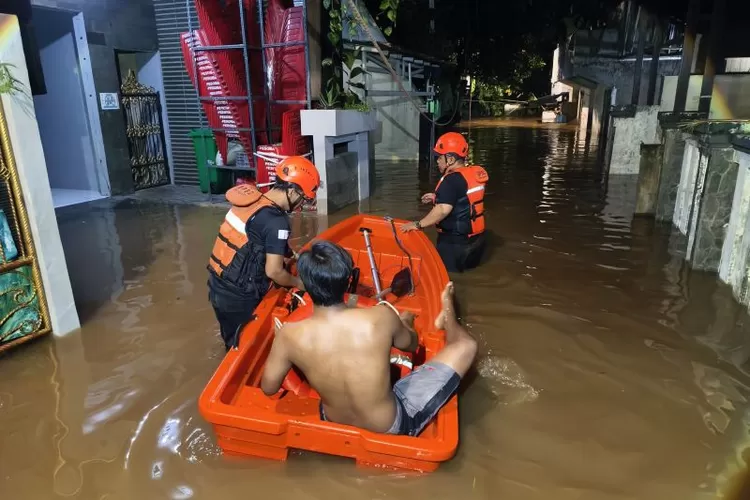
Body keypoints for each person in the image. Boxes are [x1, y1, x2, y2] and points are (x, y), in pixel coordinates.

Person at [260, 241, 477, 436]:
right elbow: (410, 345)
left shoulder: (288, 334)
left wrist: (283, 344)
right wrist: (405, 323)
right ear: (347, 281)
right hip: (391, 427)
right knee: (467, 345)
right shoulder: (380, 317)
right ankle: (447, 313)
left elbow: (269, 387)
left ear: (305, 284)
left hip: (333, 421)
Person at [207, 156, 320, 351]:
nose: (301, 206)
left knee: (231, 340)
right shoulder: (277, 221)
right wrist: (300, 284)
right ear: (293, 192)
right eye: (303, 199)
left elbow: (259, 241)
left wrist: (297, 257)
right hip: (239, 297)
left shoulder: (255, 200)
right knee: (245, 347)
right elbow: (274, 272)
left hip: (217, 284)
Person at [401, 132, 488, 273]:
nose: (437, 161)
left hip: (455, 243)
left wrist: (417, 225)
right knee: (470, 275)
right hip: (476, 241)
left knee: (446, 277)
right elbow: (464, 199)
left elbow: (442, 210)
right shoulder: (471, 174)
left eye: (439, 157)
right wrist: (437, 197)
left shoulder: (450, 181)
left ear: (451, 159)